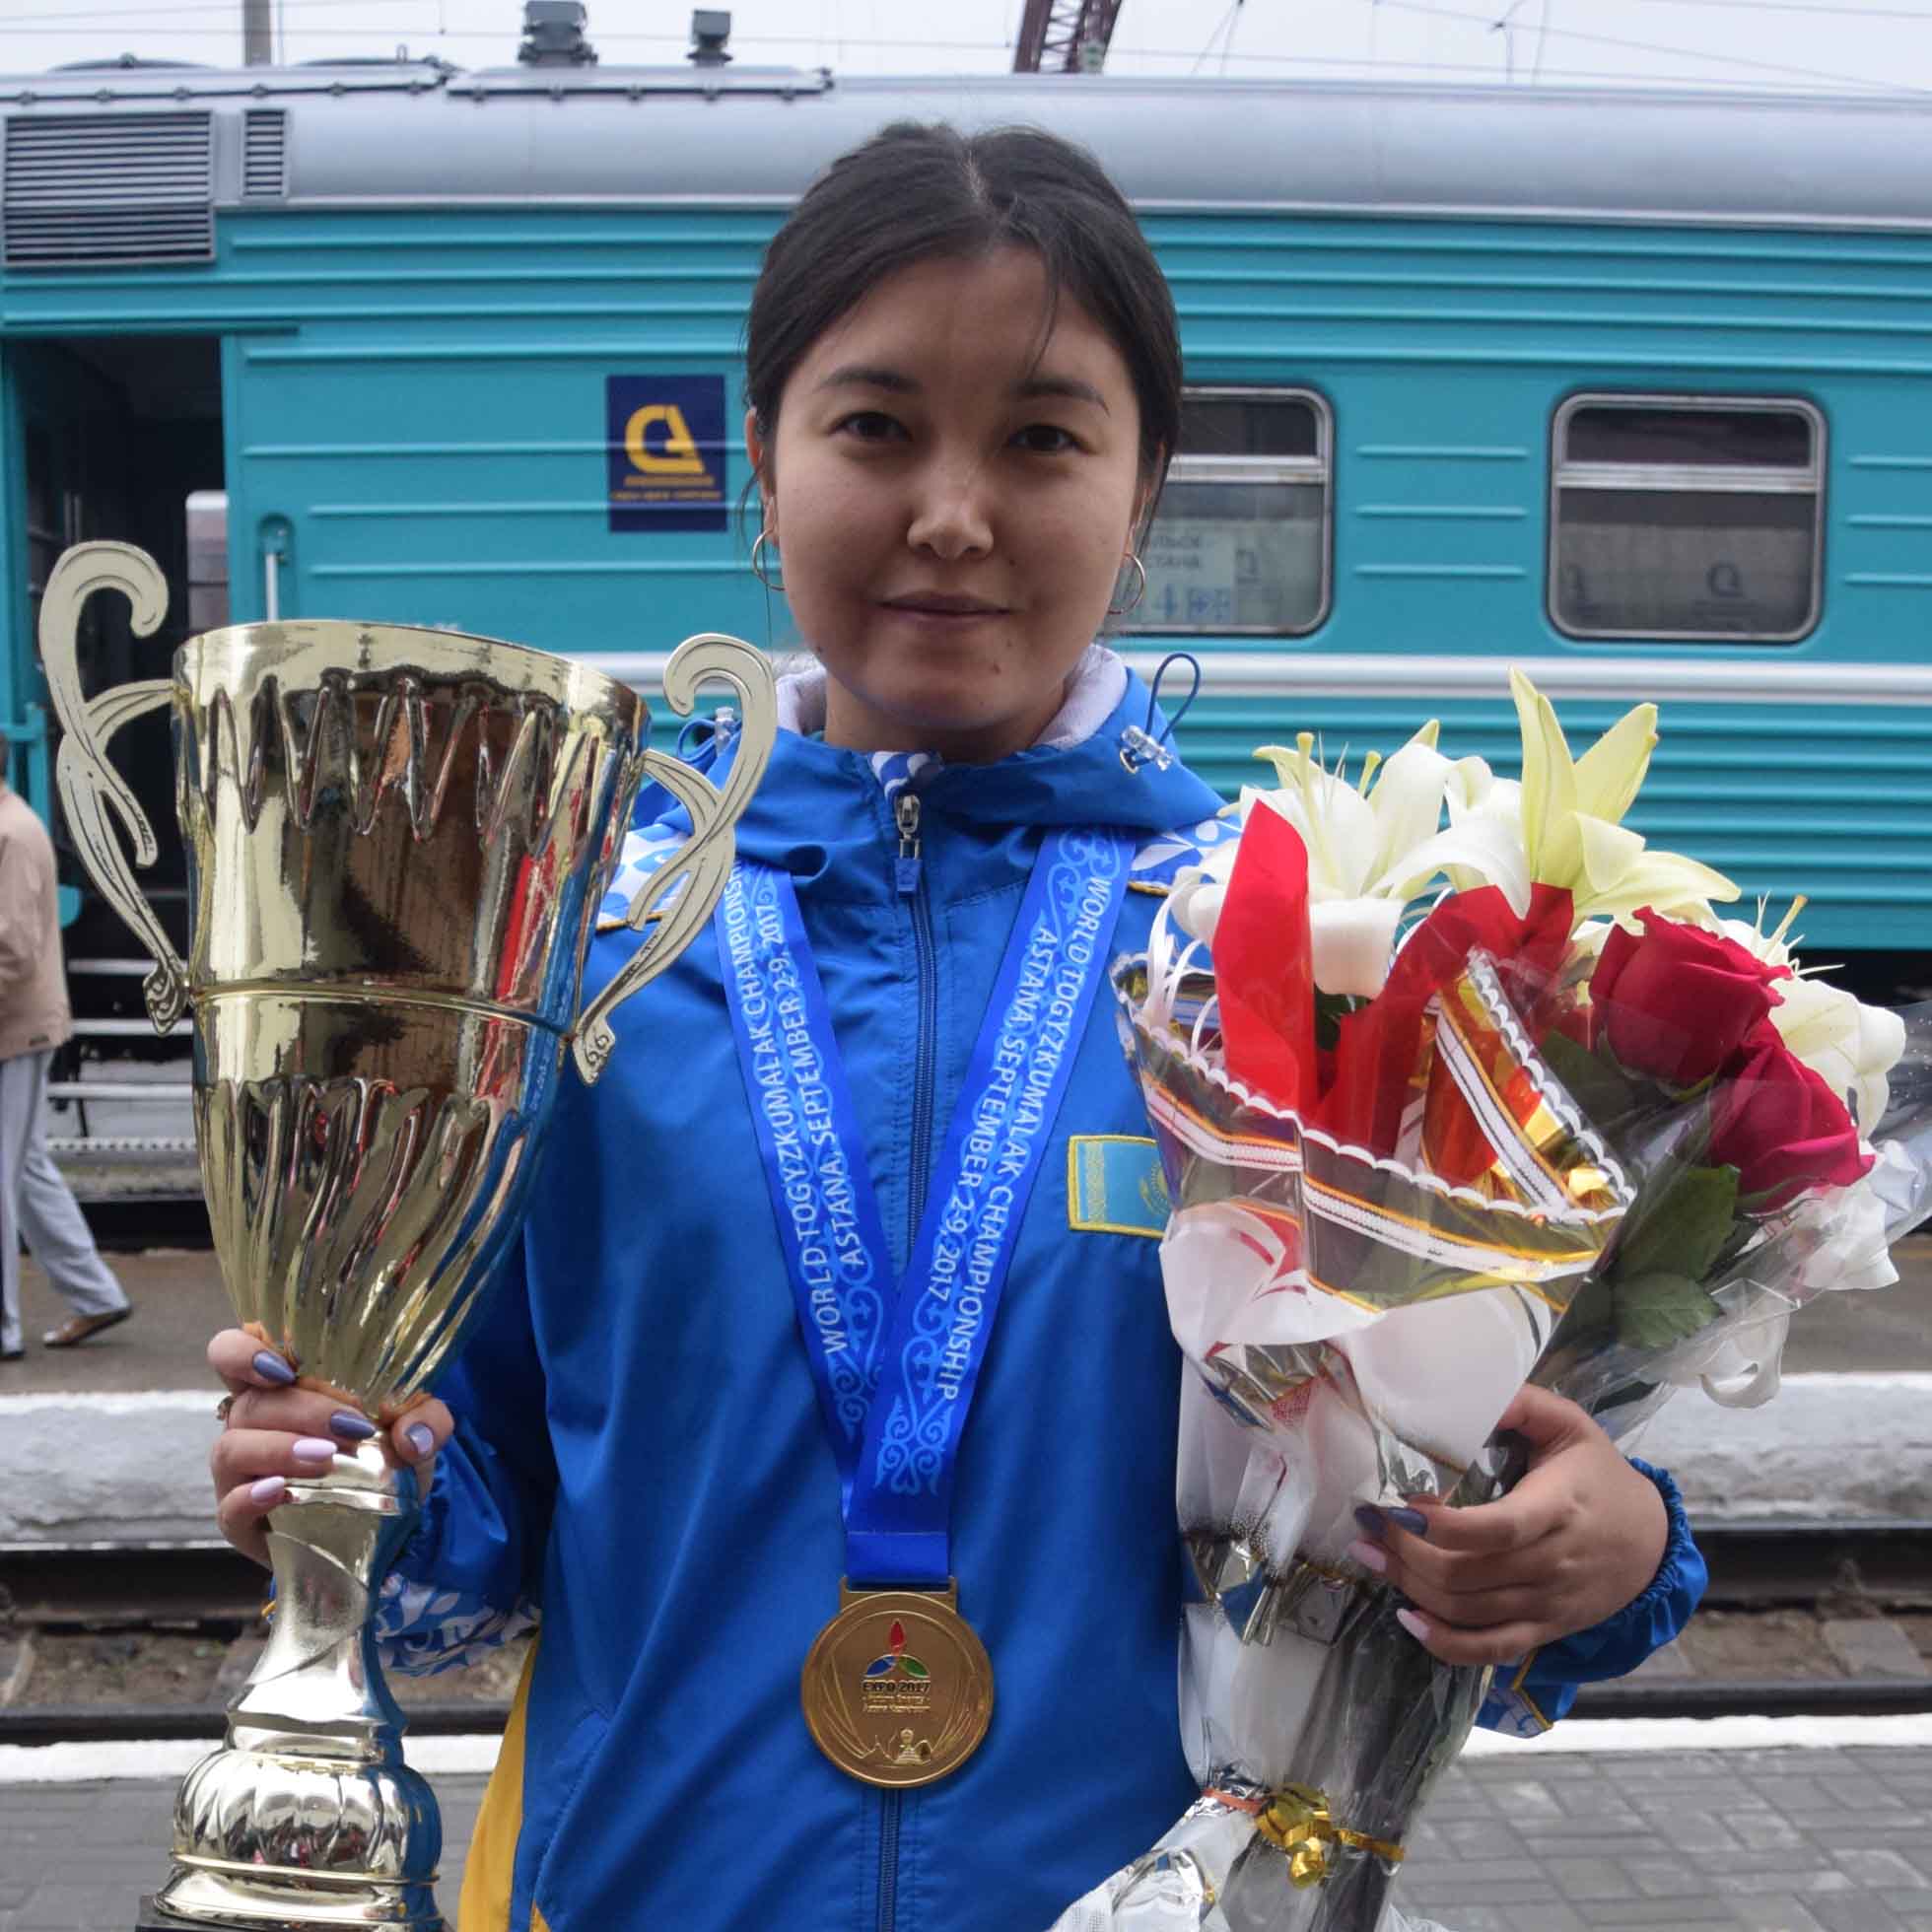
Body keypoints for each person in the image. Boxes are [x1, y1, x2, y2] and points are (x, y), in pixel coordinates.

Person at [207, 122, 1704, 1930]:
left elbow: (1442, 1473)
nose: (952, 513)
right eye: (876, 426)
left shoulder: (1292, 956)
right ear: (764, 467)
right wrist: (356, 1479)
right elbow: (502, 1510)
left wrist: (1609, 1546)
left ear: (1143, 496)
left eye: (1043, 439)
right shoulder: (583, 947)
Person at [0, 734, 132, 1363]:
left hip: (12, 1030)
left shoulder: (10, 834)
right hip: (15, 1026)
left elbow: (12, 952)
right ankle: (94, 1294)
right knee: (24, 1168)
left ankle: (3, 1328)